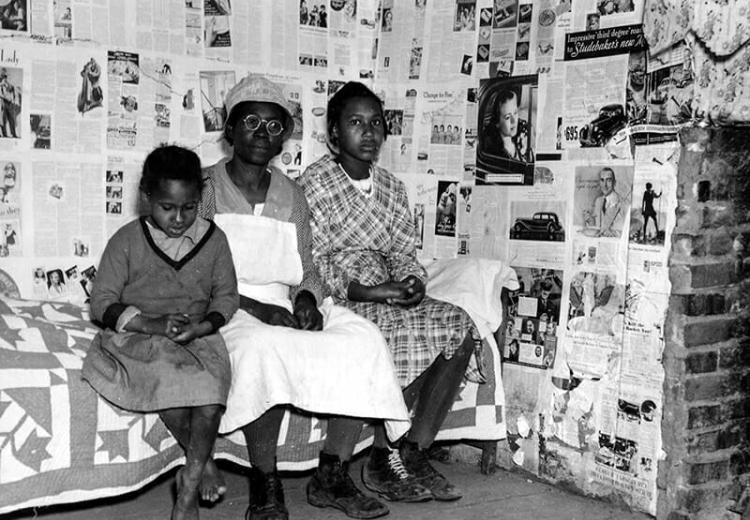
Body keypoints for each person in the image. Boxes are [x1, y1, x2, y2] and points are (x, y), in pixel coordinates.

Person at [200, 74, 410, 520]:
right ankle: (265, 483)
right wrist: (253, 308)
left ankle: (332, 474)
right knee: (261, 346)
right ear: (229, 131)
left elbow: (308, 267)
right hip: (225, 307)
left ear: (285, 139)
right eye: (251, 122)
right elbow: (192, 270)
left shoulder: (292, 195)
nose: (262, 133)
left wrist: (307, 302)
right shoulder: (204, 190)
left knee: (362, 339)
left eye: (275, 127)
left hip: (284, 302)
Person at [300, 81, 480, 505]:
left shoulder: (393, 189)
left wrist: (412, 283)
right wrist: (368, 290)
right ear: (333, 134)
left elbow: (403, 253)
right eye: (355, 123)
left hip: (386, 286)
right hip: (340, 292)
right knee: (388, 331)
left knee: (458, 323)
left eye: (375, 123)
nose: (367, 132)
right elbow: (314, 258)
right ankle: (349, 465)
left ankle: (406, 451)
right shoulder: (315, 183)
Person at [81, 145, 239, 520]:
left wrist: (205, 325)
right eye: (168, 208)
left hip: (196, 334)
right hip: (141, 334)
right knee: (167, 378)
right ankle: (200, 468)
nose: (179, 218)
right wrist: (151, 324)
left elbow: (228, 297)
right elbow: (101, 302)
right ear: (146, 197)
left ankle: (190, 476)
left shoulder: (215, 241)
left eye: (189, 208)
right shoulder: (127, 239)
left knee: (211, 395)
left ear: (199, 200)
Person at [484, 89, 533, 163]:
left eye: (515, 113)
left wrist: (527, 150)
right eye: (507, 117)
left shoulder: (520, 140)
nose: (514, 121)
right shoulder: (496, 154)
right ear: (497, 122)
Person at [589, 167, 624, 237]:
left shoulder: (622, 203)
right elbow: (596, 225)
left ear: (614, 183)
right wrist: (589, 221)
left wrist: (607, 233)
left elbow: (622, 233)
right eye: (602, 180)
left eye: (608, 180)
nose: (604, 185)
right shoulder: (598, 201)